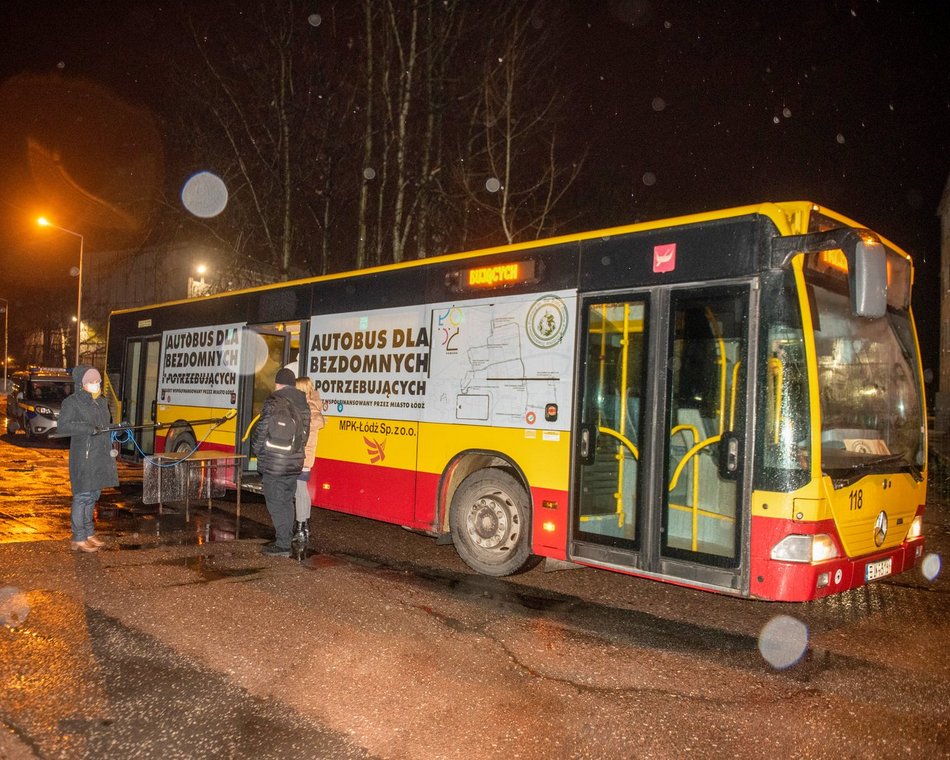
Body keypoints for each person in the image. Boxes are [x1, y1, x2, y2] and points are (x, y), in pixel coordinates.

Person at [57, 366, 119, 553]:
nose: (96, 384)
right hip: (83, 457)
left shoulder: (101, 401)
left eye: (98, 381)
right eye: (91, 382)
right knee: (82, 496)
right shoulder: (72, 402)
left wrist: (116, 427)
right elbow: (63, 426)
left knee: (93, 495)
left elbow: (104, 425)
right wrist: (88, 428)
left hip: (100, 455)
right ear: (82, 384)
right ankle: (78, 537)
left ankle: (89, 533)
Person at [251, 367, 310, 557]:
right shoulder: (304, 404)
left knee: (275, 503)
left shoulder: (273, 401)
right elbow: (305, 435)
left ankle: (283, 544)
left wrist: (256, 449)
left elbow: (262, 430)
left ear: (278, 383)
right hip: (294, 461)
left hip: (274, 462)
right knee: (286, 500)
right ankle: (285, 538)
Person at [292, 376, 326, 544]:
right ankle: (304, 526)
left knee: (299, 493)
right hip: (303, 456)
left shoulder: (308, 409)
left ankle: (300, 529)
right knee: (302, 492)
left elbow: (315, 423)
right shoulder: (308, 407)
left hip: (302, 457)